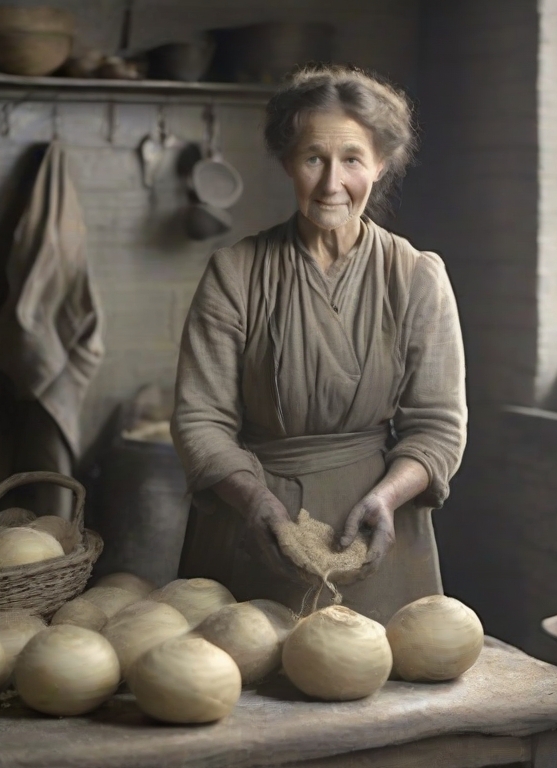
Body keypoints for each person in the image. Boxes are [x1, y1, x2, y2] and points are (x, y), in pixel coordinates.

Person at [170, 64, 467, 624]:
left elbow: (438, 426)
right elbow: (199, 419)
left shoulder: (415, 276)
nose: (333, 184)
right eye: (314, 158)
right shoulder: (235, 273)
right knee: (237, 679)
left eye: (352, 159)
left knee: (379, 683)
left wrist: (386, 499)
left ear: (381, 164)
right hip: (252, 525)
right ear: (287, 163)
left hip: (381, 532)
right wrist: (256, 501)